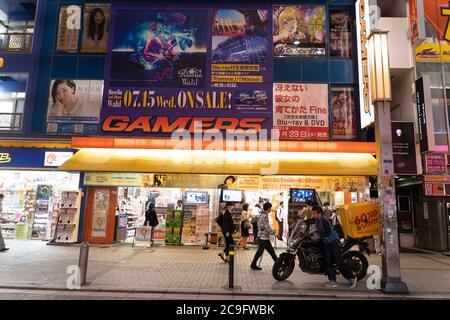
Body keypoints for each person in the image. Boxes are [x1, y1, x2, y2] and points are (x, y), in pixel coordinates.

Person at [310, 206, 356, 288]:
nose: (313, 215)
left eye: (314, 213)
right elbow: (316, 228)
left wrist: (318, 235)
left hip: (333, 242)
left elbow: (327, 233)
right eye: (312, 213)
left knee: (338, 261)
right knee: (328, 262)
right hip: (327, 243)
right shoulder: (317, 220)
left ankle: (352, 277)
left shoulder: (324, 220)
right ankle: (332, 281)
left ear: (319, 213)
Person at [250, 202, 278, 270]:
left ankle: (278, 263)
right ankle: (253, 264)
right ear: (268, 208)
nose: (271, 209)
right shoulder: (265, 216)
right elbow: (267, 226)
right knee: (261, 251)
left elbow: (260, 225)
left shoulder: (261, 214)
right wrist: (272, 232)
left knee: (270, 251)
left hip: (263, 236)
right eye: (270, 208)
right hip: (264, 237)